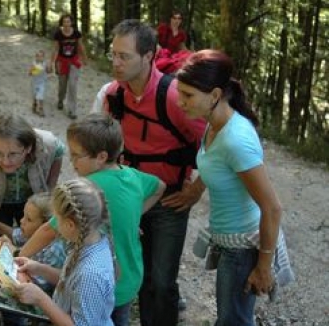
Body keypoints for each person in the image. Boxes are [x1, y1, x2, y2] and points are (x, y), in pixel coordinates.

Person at [92, 20, 206, 326]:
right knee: (133, 274)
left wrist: (195, 190)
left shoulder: (174, 98)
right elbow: (100, 150)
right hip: (130, 197)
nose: (115, 62)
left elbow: (213, 146)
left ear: (148, 56)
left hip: (169, 200)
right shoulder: (114, 96)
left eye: (124, 56)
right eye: (113, 54)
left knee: (162, 282)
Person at [175, 49, 294, 325]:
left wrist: (263, 267)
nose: (180, 102)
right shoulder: (214, 124)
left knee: (233, 321)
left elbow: (273, 208)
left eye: (188, 95)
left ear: (215, 95)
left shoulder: (235, 139)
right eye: (180, 93)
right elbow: (218, 165)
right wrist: (195, 190)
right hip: (230, 241)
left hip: (243, 248)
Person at [19, 113, 166, 326]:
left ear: (101, 157)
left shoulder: (89, 189)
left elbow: (47, 231)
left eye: (77, 155)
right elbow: (159, 186)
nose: (72, 161)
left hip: (106, 284)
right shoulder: (131, 175)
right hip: (129, 276)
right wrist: (133, 218)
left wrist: (17, 256)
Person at [14, 178, 116, 326]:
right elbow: (70, 283)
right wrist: (39, 268)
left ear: (69, 225)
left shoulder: (90, 274)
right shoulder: (89, 241)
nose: (53, 223)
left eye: (56, 218)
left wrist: (41, 299)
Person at [0, 113, 65, 231]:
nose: (5, 161)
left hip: (31, 197)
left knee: (33, 236)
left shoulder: (47, 143)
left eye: (13, 154)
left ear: (28, 148)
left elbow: (58, 152)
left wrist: (51, 188)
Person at [0, 192, 66, 294]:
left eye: (29, 219)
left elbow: (38, 285)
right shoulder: (29, 232)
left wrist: (12, 252)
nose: (21, 221)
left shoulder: (55, 250)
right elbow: (15, 235)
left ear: (44, 225)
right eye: (23, 215)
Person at [51, 14, 88, 120]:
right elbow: (55, 49)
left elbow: (81, 46)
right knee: (62, 84)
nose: (66, 24)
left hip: (74, 61)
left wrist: (85, 58)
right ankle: (60, 99)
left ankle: (72, 110)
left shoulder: (76, 33)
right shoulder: (58, 34)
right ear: (62, 23)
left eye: (68, 21)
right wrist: (51, 62)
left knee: (72, 85)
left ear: (71, 22)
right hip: (61, 62)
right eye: (64, 22)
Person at [28, 50, 51, 117]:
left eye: (41, 56)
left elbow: (49, 71)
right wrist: (33, 71)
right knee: (35, 95)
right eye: (38, 56)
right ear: (35, 57)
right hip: (34, 82)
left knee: (40, 96)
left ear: (43, 57)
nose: (39, 57)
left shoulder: (45, 64)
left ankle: (41, 109)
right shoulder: (34, 64)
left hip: (42, 82)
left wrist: (49, 67)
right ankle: (34, 104)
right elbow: (29, 73)